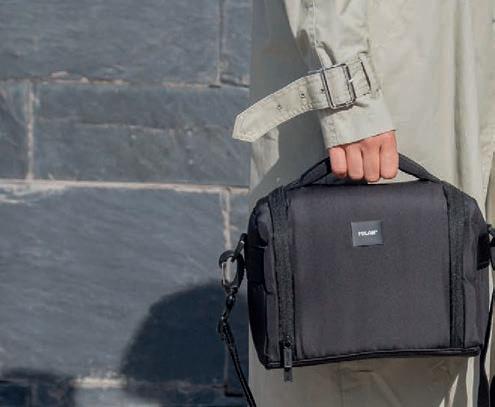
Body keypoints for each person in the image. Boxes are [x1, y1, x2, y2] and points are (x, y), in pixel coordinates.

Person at [231, 0, 495, 405]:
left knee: (459, 311)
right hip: (392, 63)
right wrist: (350, 97)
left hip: (467, 56)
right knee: (375, 348)